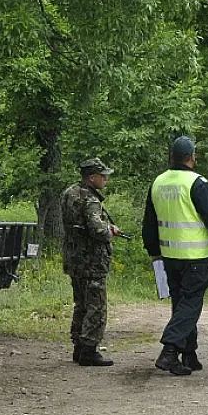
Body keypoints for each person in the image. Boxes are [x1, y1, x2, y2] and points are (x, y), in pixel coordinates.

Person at [142, 136, 208, 375]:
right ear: (192, 157)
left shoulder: (158, 182)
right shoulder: (197, 183)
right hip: (195, 256)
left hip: (169, 256)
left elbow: (149, 223)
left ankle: (188, 354)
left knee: (181, 304)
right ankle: (170, 350)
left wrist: (154, 251)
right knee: (191, 304)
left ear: (172, 157)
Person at [61, 157, 119, 366]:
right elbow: (97, 230)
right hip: (91, 261)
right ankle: (89, 349)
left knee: (81, 304)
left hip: (74, 258)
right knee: (96, 305)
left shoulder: (69, 193)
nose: (105, 180)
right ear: (92, 177)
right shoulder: (90, 199)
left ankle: (78, 346)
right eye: (103, 176)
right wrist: (110, 230)